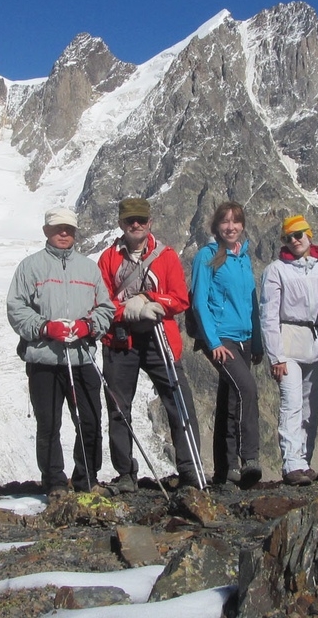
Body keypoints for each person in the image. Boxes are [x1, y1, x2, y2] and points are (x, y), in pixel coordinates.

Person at [7, 207, 114, 495]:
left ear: (75, 231)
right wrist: (43, 328)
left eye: (68, 228)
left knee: (90, 420)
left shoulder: (89, 268)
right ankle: (54, 482)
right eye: (57, 228)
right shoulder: (30, 267)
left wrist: (87, 326)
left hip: (81, 357)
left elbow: (106, 308)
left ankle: (87, 479)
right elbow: (16, 309)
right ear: (46, 231)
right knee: (49, 424)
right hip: (44, 358)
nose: (63, 233)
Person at [99, 197, 202, 491]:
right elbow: (103, 303)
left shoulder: (166, 256)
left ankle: (189, 470)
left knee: (178, 401)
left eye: (141, 220)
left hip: (159, 337)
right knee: (119, 407)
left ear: (149, 223)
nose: (136, 225)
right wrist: (126, 310)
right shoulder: (108, 259)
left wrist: (149, 299)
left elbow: (180, 298)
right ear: (121, 224)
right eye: (130, 220)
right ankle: (126, 474)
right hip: (121, 339)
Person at [260, 215, 318, 485]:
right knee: (291, 403)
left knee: (311, 406)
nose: (294, 241)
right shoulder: (276, 270)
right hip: (287, 343)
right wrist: (275, 355)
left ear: (310, 234)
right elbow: (268, 314)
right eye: (288, 237)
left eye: (299, 235)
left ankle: (305, 460)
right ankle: (292, 463)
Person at [191, 201, 262, 487]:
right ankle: (250, 459)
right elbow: (199, 302)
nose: (230, 227)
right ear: (216, 227)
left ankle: (226, 468)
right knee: (247, 389)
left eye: (235, 221)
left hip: (243, 339)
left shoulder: (243, 258)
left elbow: (249, 303)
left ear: (242, 226)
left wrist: (256, 342)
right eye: (225, 222)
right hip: (222, 339)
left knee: (231, 400)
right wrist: (212, 341)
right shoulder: (206, 256)